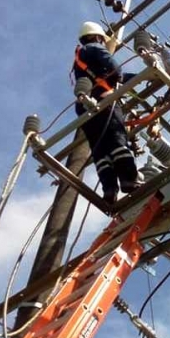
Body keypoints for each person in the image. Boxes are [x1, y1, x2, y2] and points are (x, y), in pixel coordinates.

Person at [72, 21, 140, 203]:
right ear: (97, 37)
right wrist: (119, 75)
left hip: (85, 106)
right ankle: (128, 179)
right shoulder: (95, 48)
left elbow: (110, 77)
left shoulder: (81, 57)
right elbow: (114, 70)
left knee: (100, 150)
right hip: (103, 100)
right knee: (116, 138)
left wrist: (139, 78)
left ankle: (109, 190)